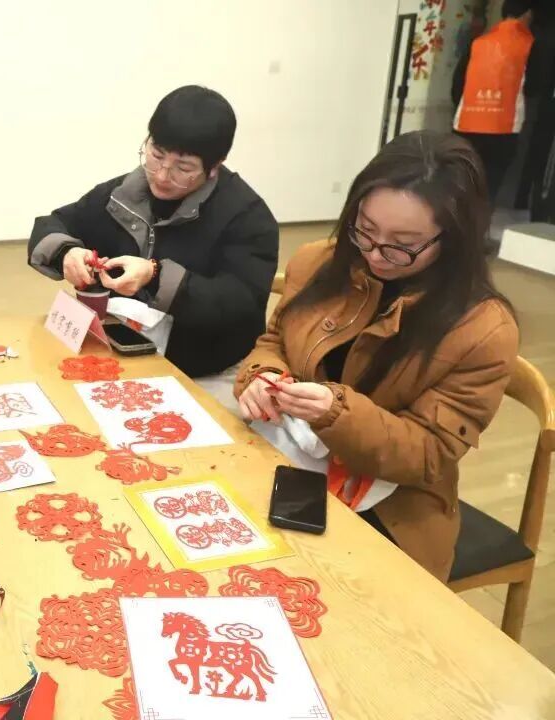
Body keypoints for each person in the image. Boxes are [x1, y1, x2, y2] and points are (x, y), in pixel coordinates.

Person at [235, 131, 519, 582]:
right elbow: (275, 340)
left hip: (392, 506)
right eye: (364, 230)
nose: (375, 254)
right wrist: (263, 375)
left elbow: (428, 455)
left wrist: (337, 414)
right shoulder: (319, 263)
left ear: (455, 237)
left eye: (402, 244)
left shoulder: (482, 329)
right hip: (287, 459)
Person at [27, 85, 279, 377]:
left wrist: (155, 276)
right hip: (121, 355)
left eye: (183, 168)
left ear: (214, 167)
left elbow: (238, 305)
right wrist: (67, 253)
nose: (161, 176)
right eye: (156, 155)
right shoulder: (122, 194)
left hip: (207, 369)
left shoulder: (247, 217)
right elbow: (53, 224)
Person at [452, 0, 536, 204]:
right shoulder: (529, 45)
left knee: (460, 185)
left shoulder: (479, 42)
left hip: (466, 126)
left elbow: (457, 84)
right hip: (502, 129)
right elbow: (535, 86)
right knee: (488, 191)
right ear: (527, 14)